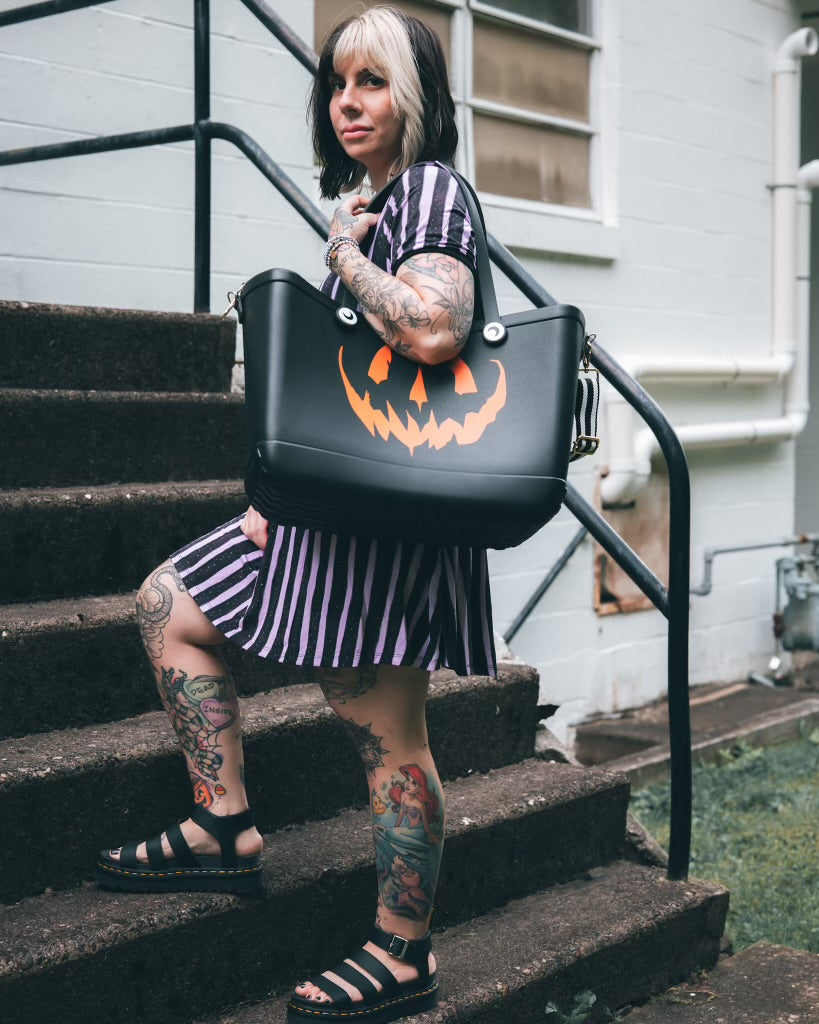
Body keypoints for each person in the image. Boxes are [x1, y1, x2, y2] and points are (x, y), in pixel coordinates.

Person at [96, 7, 496, 1022]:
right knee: (169, 604)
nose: (348, 101)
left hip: (386, 523)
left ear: (414, 94)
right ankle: (221, 824)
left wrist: (342, 257)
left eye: (371, 81)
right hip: (324, 509)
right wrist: (277, 498)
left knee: (383, 734)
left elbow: (436, 324)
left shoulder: (433, 191)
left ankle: (404, 954)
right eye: (336, 83)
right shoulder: (379, 203)